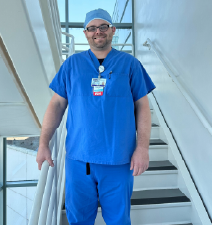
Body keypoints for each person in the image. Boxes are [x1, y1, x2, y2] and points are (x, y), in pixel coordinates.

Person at [34, 8, 155, 225]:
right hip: (79, 160)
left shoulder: (130, 65)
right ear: (85, 33)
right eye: (91, 28)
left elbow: (143, 108)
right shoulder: (71, 65)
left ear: (113, 30)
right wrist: (44, 143)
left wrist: (143, 148)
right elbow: (56, 105)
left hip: (119, 160)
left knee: (118, 220)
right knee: (78, 219)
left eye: (103, 26)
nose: (97, 32)